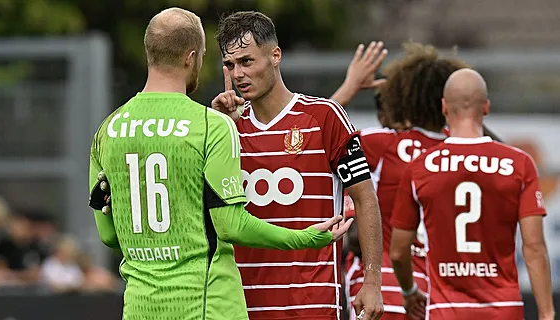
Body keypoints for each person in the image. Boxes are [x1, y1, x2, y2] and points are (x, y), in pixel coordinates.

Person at [89, 8, 352, 320]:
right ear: (191, 57)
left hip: (140, 307)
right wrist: (304, 237)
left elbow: (109, 235)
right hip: (206, 305)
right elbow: (231, 225)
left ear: (150, 54)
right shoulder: (209, 125)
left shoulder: (108, 130)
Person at [212, 11, 384, 320]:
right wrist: (220, 129)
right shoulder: (224, 128)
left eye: (247, 61)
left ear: (275, 55)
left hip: (311, 304)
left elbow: (364, 197)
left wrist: (372, 280)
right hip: (241, 305)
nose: (237, 74)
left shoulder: (325, 117)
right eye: (230, 64)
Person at [389, 69, 555, 320]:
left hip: (445, 311)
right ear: (486, 107)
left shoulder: (420, 167)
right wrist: (547, 313)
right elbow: (534, 247)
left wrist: (409, 290)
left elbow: (399, 252)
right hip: (503, 309)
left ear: (444, 107)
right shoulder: (519, 164)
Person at [332, 42, 469, 319]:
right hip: (443, 298)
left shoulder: (384, 144)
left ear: (402, 98)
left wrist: (350, 86)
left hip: (385, 291)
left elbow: (316, 135)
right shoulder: (464, 153)